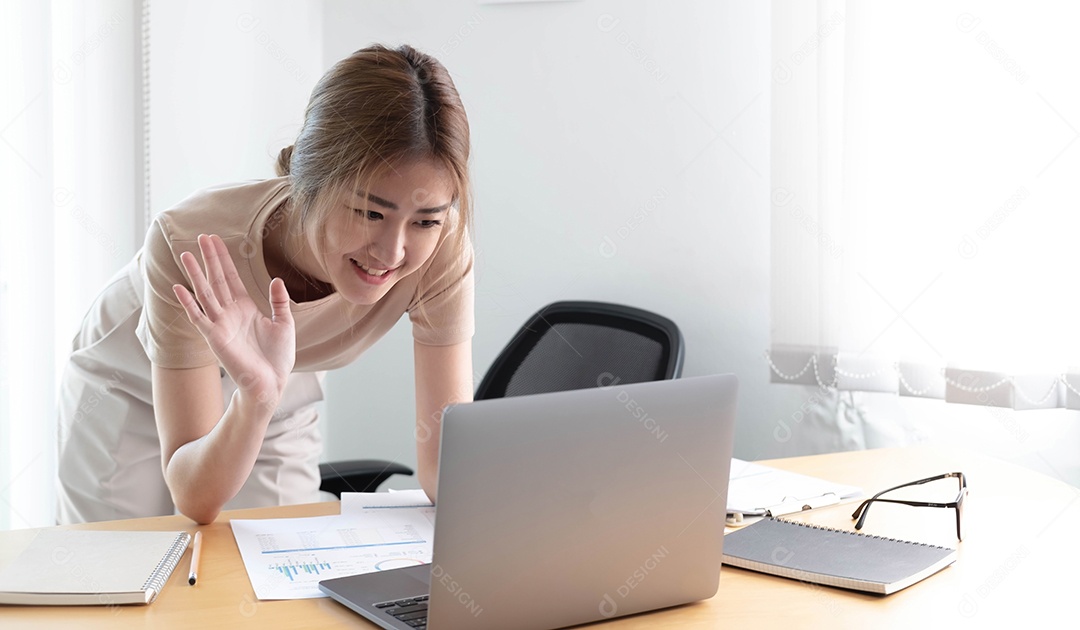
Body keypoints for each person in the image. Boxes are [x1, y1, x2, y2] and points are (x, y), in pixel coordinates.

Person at [56, 44, 475, 525]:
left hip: (280, 377)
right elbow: (195, 499)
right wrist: (253, 400)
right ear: (309, 181)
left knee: (277, 573)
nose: (391, 252)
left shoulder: (442, 248)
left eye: (425, 221)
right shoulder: (192, 240)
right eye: (370, 213)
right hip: (131, 378)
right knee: (122, 571)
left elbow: (447, 469)